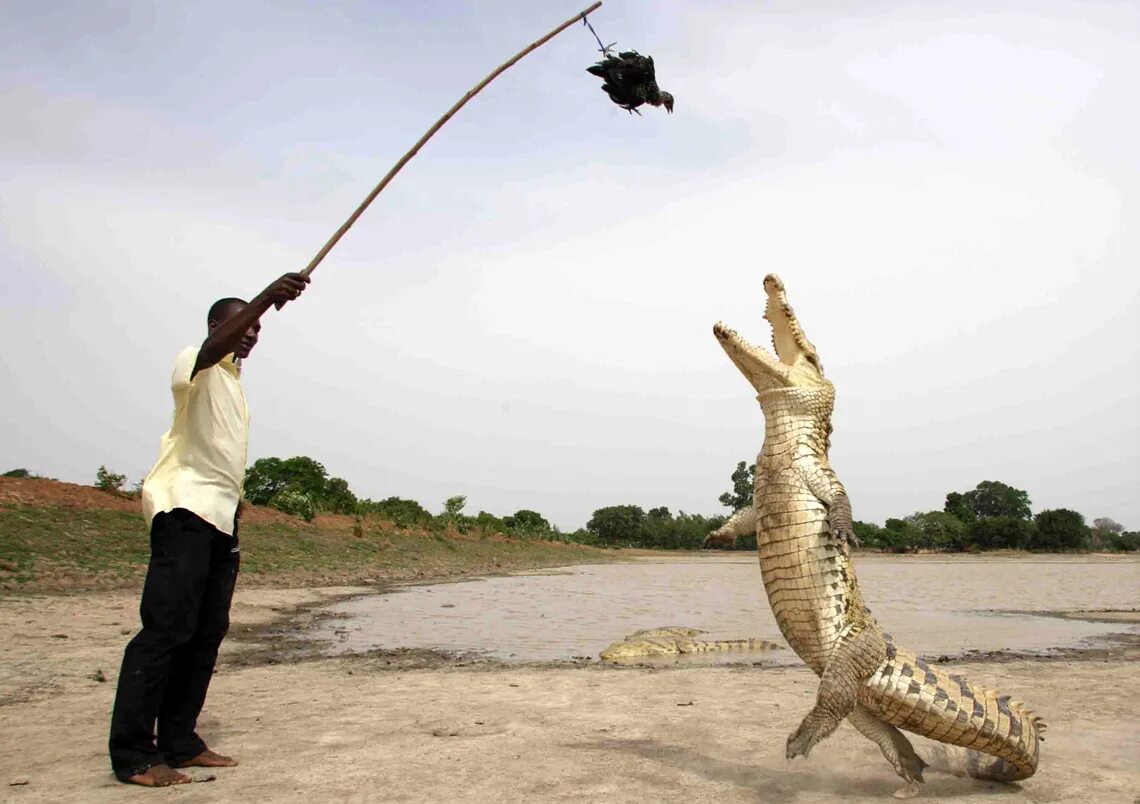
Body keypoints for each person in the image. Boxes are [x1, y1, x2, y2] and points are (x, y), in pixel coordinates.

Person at [108, 272, 309, 786]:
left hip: (222, 519)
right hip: (184, 512)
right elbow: (212, 346)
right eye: (242, 324)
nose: (251, 334)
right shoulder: (195, 363)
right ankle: (133, 754)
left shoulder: (235, 386)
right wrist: (267, 296)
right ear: (216, 325)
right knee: (166, 631)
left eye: (258, 329)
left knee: (205, 633)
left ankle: (181, 741)